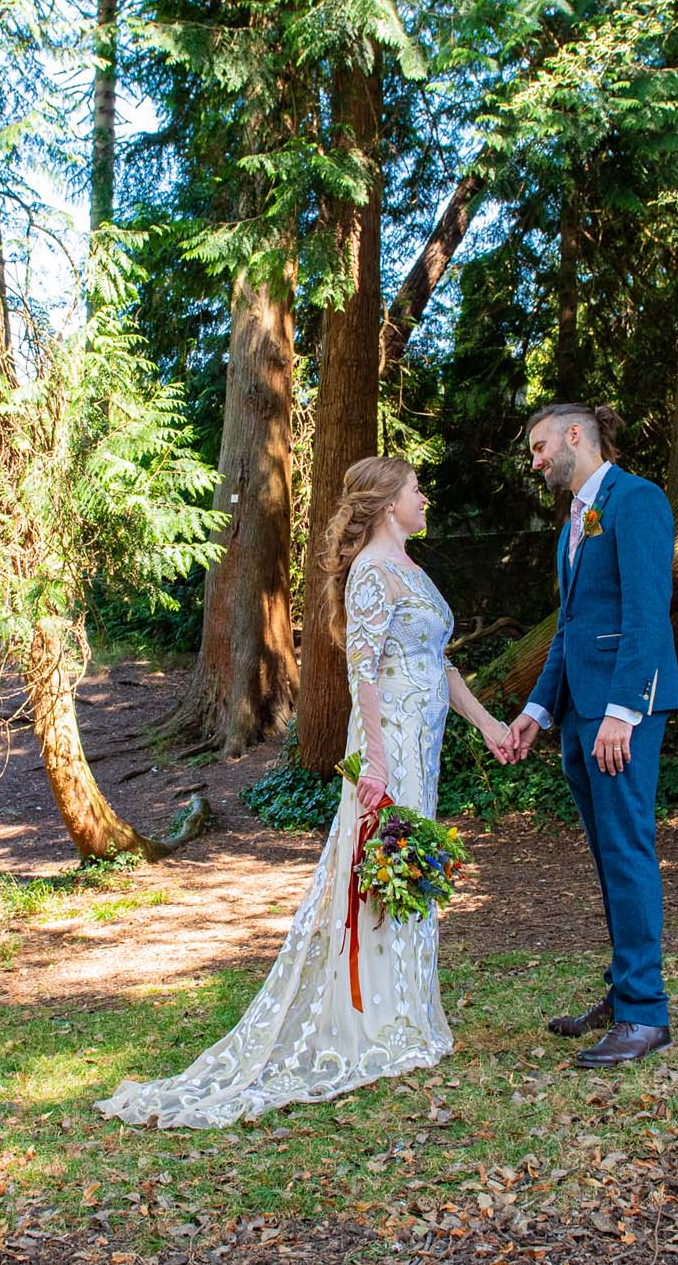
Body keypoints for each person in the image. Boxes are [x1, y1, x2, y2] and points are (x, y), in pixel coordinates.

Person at [97, 456, 511, 1129]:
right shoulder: (372, 573)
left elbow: (438, 664)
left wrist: (489, 724)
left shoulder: (411, 568)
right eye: (415, 489)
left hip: (423, 741)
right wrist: (376, 763)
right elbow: (363, 673)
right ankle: (373, 1021)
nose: (424, 497)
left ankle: (404, 1010)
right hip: (389, 741)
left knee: (406, 866)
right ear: (387, 503)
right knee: (380, 868)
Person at [502, 403, 678, 1068]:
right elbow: (570, 628)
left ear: (575, 435)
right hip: (580, 715)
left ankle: (645, 1013)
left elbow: (646, 612)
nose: (536, 461)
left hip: (620, 716)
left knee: (627, 850)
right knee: (609, 855)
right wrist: (537, 710)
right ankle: (624, 988)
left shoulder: (637, 500)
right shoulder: (574, 523)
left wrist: (622, 711)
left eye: (540, 446)